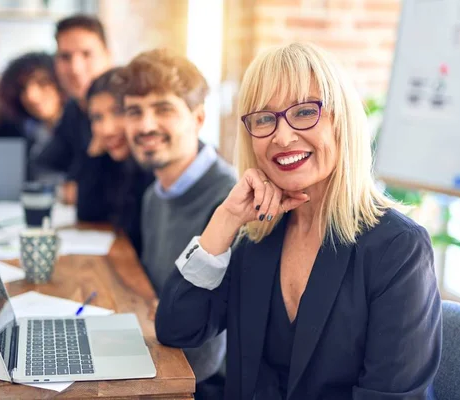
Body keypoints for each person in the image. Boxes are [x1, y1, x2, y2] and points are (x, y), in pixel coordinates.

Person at [155, 42, 442, 399]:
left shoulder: (397, 249)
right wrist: (225, 219)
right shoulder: (256, 237)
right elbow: (176, 328)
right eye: (264, 118)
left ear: (342, 120)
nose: (283, 136)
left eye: (305, 112)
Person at [118, 49, 236, 399]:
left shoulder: (229, 201)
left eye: (163, 109)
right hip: (156, 354)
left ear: (198, 119)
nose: (145, 125)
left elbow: (209, 352)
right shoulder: (154, 195)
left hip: (196, 384)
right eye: (134, 111)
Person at [34, 14, 112, 210]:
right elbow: (42, 166)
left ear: (108, 56)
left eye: (87, 54)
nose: (75, 69)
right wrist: (64, 188)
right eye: (65, 57)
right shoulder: (73, 109)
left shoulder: (131, 107)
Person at [84, 67, 154, 257]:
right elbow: (88, 213)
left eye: (117, 112)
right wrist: (94, 155)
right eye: (97, 118)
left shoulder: (154, 168)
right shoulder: (112, 162)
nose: (107, 129)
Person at [0, 52, 67, 181]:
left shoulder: (80, 128)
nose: (31, 96)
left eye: (42, 83)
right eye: (22, 88)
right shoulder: (32, 134)